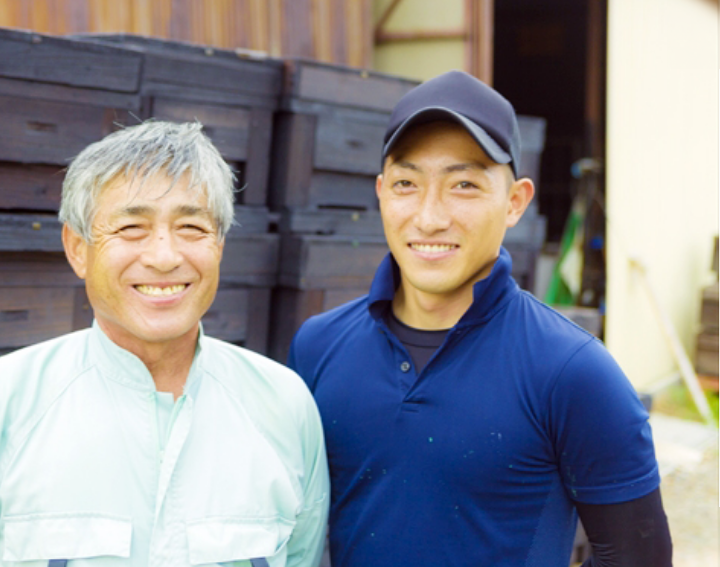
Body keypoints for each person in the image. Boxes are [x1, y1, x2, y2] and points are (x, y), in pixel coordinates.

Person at [0, 121, 329, 567]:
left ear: (219, 245)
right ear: (77, 248)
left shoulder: (284, 408)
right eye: (131, 228)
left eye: (191, 227)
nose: (164, 256)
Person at [288, 70, 672, 567]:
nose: (429, 217)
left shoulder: (572, 371)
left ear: (515, 203)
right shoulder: (318, 347)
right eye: (407, 183)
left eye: (464, 185)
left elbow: (638, 558)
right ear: (381, 192)